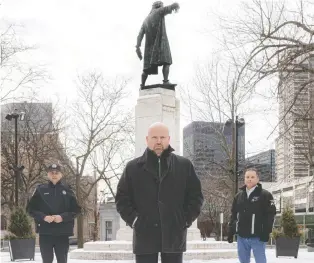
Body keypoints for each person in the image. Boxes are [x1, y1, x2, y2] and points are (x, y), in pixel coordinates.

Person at [115, 122, 203, 263]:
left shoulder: (184, 165)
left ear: (168, 139)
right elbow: (122, 199)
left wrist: (185, 219)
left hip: (174, 233)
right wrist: (135, 220)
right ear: (147, 139)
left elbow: (196, 196)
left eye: (162, 137)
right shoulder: (133, 168)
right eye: (154, 137)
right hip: (144, 233)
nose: (158, 141)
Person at [27, 164, 81, 263]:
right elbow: (30, 209)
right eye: (52, 172)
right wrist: (43, 217)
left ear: (61, 175)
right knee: (47, 260)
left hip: (62, 233)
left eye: (57, 173)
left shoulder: (68, 190)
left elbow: (77, 210)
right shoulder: (40, 189)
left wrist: (62, 217)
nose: (54, 175)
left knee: (62, 260)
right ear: (48, 174)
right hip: (45, 233)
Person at [227, 168, 276, 263]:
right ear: (244, 179)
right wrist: (231, 231)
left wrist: (266, 232)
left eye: (252, 177)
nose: (249, 179)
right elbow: (233, 215)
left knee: (260, 260)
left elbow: (270, 216)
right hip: (241, 237)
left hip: (258, 237)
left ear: (257, 179)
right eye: (247, 177)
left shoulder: (265, 195)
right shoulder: (238, 196)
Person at [136, 1, 180, 88]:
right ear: (159, 6)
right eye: (161, 5)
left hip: (149, 49)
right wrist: (176, 5)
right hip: (160, 44)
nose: (162, 7)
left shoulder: (145, 20)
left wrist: (137, 47)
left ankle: (142, 85)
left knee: (147, 68)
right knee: (167, 61)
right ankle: (165, 81)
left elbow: (140, 35)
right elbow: (169, 8)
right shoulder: (159, 11)